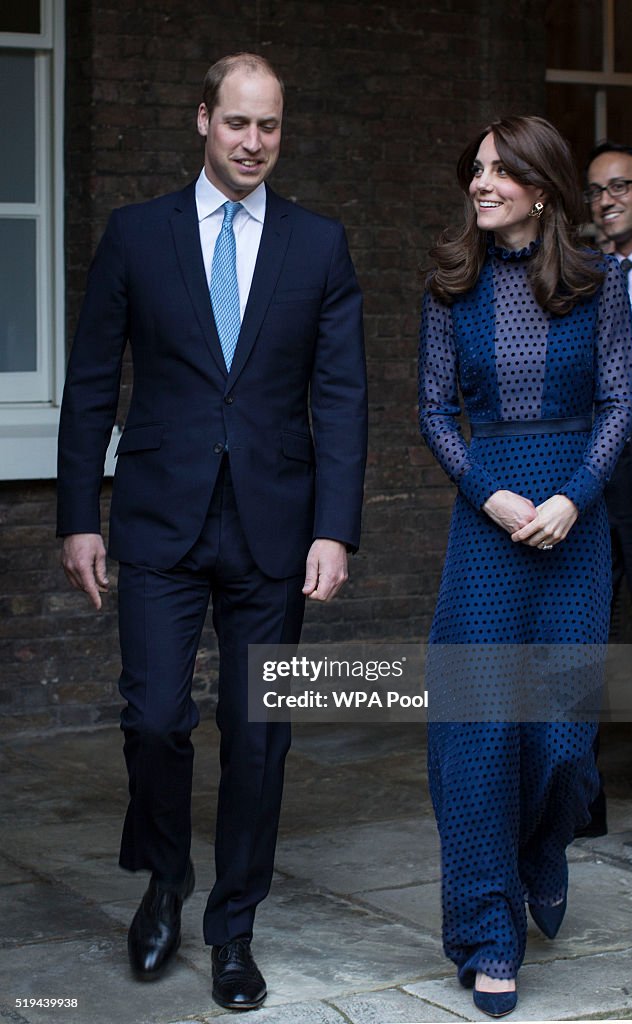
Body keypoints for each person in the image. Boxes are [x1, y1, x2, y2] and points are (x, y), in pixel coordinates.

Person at [57, 53, 367, 1012]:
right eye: (237, 123)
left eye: (270, 126)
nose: (254, 143)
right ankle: (165, 881)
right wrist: (79, 518)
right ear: (202, 120)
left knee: (259, 734)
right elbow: (92, 384)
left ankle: (234, 929)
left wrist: (335, 529)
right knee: (153, 718)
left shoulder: (318, 246)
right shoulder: (136, 236)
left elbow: (344, 397)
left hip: (275, 530)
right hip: (156, 520)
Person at [418, 116, 632, 1018]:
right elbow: (432, 407)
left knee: (558, 741)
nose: (481, 183)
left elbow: (620, 399)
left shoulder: (599, 283)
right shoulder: (449, 285)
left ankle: (543, 851)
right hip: (487, 530)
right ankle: (486, 931)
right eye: (475, 169)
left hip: (573, 531)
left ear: (541, 188)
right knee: (475, 735)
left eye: (500, 171)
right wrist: (489, 493)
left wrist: (575, 496)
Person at [585, 143, 632, 769]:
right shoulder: (585, 276)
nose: (607, 200)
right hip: (593, 490)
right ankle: (580, 789)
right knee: (582, 633)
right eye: (596, 191)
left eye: (620, 187)